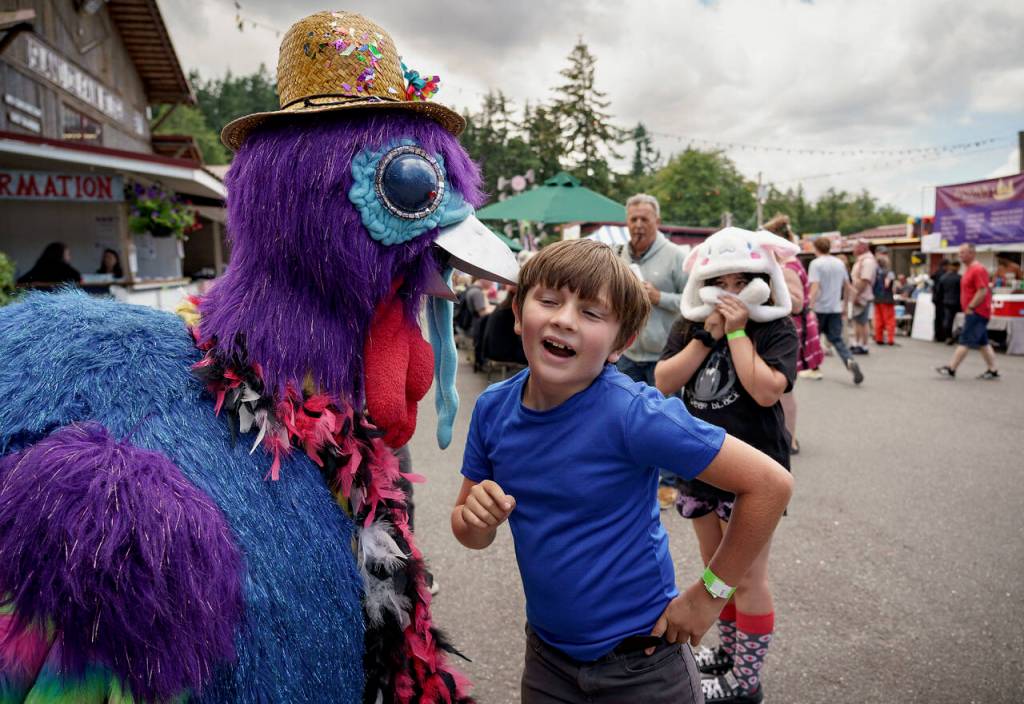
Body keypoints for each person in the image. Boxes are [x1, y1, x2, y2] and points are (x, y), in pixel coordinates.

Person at [453, 239, 792, 704]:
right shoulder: (492, 409)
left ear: (620, 344)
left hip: (644, 667)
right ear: (517, 312)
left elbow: (770, 484)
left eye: (592, 314)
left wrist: (709, 596)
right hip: (548, 662)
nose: (565, 319)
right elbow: (467, 532)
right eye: (549, 300)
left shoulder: (633, 414)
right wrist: (475, 520)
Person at [656, 226, 798, 704]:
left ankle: (746, 680)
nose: (732, 293)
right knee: (718, 570)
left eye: (744, 282)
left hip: (754, 472)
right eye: (723, 283)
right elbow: (663, 382)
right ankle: (729, 654)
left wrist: (737, 331)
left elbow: (765, 390)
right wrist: (705, 335)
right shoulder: (690, 323)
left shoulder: (775, 327)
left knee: (748, 576)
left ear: (763, 281)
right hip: (700, 465)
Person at [614, 193, 689, 508]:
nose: (639, 225)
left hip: (665, 356)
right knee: (621, 414)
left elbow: (692, 302)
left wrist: (660, 298)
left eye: (645, 219)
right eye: (633, 219)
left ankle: (669, 482)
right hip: (626, 353)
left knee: (666, 419)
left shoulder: (675, 255)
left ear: (657, 222)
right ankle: (629, 476)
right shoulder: (618, 255)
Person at [763, 215, 823, 455]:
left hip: (791, 328)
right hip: (791, 328)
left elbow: (796, 303)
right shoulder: (789, 264)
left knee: (785, 389)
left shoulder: (787, 267)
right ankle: (786, 436)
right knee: (783, 389)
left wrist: (776, 289)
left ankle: (790, 438)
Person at [936, 243, 999, 380]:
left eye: (963, 252)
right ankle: (993, 370)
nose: (960, 255)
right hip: (975, 311)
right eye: (959, 252)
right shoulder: (969, 269)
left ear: (972, 253)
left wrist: (971, 306)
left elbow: (982, 290)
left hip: (977, 312)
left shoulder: (977, 269)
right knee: (983, 343)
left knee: (964, 340)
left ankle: (951, 368)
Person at [807, 237, 864, 384]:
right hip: (835, 307)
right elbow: (847, 286)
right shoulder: (839, 263)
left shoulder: (815, 264)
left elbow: (815, 287)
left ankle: (814, 368)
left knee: (813, 338)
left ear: (816, 248)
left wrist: (809, 306)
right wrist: (845, 305)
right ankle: (849, 360)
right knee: (837, 339)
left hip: (819, 307)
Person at [848, 239, 877, 354]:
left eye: (855, 247)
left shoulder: (868, 261)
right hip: (859, 295)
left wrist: (856, 295)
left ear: (862, 247)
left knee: (862, 322)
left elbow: (865, 280)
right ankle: (858, 343)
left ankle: (863, 345)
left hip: (862, 296)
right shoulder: (863, 260)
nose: (853, 250)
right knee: (858, 321)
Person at [16, 242, 81, 288]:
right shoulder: (69, 272)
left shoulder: (39, 268)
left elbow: (20, 282)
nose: (69, 257)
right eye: (68, 254)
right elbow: (79, 281)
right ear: (61, 256)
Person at [872, 249, 897, 345]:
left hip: (877, 298)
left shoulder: (875, 272)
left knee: (878, 319)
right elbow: (887, 284)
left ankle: (879, 338)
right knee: (889, 320)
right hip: (887, 298)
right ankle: (890, 339)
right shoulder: (889, 272)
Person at [933, 259, 962, 343]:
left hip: (945, 301)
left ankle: (945, 335)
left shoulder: (943, 277)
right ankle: (952, 335)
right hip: (957, 302)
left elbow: (939, 291)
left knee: (946, 319)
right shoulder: (959, 278)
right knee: (954, 319)